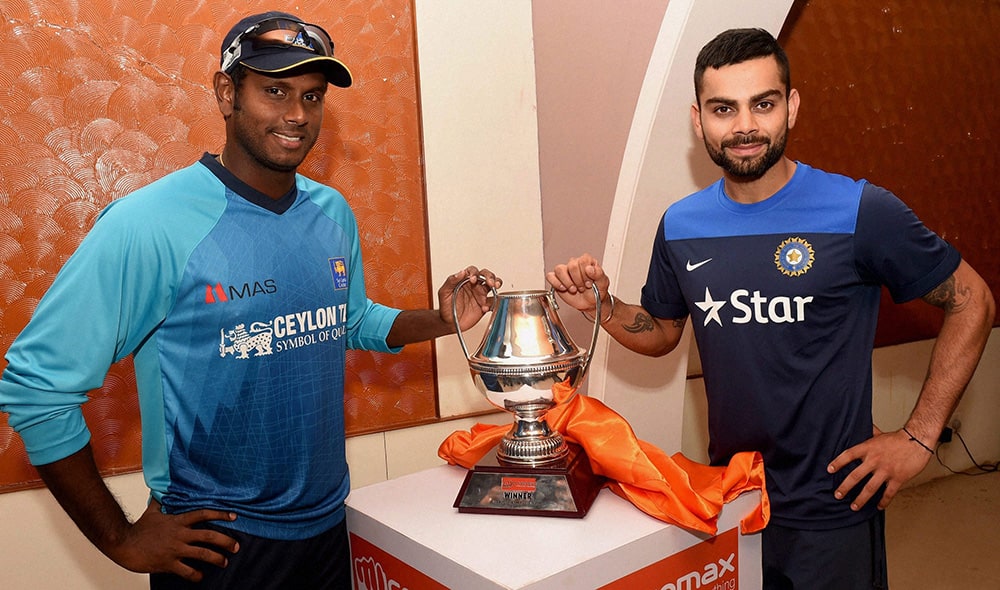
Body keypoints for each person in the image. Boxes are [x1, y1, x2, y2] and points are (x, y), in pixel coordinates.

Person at [0, 11, 500, 589]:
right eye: (275, 91)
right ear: (225, 93)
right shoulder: (149, 225)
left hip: (327, 529)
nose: (296, 116)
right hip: (218, 549)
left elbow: (350, 319)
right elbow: (36, 390)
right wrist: (121, 539)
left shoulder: (331, 213)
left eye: (312, 97)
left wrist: (438, 321)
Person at [547, 28, 994, 589]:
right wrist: (603, 306)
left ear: (792, 106)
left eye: (763, 103)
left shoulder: (859, 210)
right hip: (732, 497)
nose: (744, 127)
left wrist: (920, 435)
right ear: (697, 119)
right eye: (723, 109)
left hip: (833, 505)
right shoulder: (681, 225)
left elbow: (972, 298)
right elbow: (663, 331)